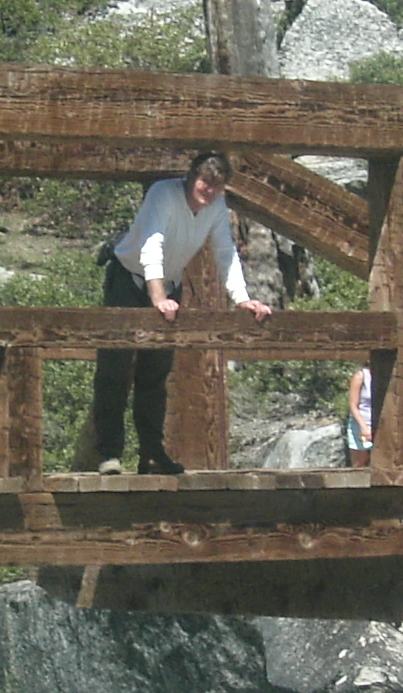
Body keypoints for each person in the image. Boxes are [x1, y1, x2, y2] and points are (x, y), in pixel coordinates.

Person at [91, 150, 272, 475]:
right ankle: (109, 454)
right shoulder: (164, 193)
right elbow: (152, 245)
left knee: (156, 373)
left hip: (169, 286)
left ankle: (151, 454)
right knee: (114, 368)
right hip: (128, 280)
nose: (209, 190)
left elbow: (225, 251)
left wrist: (242, 299)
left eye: (217, 185)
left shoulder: (216, 206)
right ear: (191, 177)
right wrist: (158, 298)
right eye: (205, 181)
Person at [344, 365, 373, 467]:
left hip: (378, 423)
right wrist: (364, 427)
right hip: (361, 424)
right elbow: (353, 406)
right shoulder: (360, 376)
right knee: (359, 463)